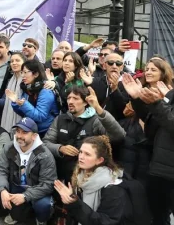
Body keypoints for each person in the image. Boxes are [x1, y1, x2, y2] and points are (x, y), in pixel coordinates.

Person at [122, 59, 174, 225]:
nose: (149, 72)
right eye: (147, 68)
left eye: (154, 69)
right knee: (158, 217)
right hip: (158, 168)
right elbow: (152, 128)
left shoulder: (168, 94)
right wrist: (137, 99)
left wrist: (159, 103)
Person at [43, 86, 125, 182]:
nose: (70, 102)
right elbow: (45, 143)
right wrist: (60, 148)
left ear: (85, 102)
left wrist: (99, 109)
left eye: (75, 98)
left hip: (86, 177)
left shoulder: (95, 121)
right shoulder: (60, 119)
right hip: (60, 174)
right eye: (69, 98)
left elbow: (119, 136)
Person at [0, 117, 57, 225]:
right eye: (17, 131)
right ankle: (14, 213)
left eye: (24, 132)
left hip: (35, 189)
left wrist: (25, 196)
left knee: (44, 204)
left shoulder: (44, 154)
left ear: (34, 136)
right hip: (15, 185)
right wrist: (3, 190)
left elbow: (48, 184)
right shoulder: (10, 147)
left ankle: (41, 220)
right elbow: (1, 170)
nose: (19, 136)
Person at [54, 136, 129, 225]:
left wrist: (75, 204)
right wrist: (70, 201)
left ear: (99, 160)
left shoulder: (113, 186)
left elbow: (107, 221)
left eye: (87, 154)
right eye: (81, 152)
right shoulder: (79, 177)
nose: (81, 157)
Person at [8, 59, 59, 137]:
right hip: (31, 129)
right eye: (22, 72)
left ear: (36, 74)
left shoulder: (46, 90)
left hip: (44, 132)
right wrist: (16, 102)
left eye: (25, 72)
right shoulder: (28, 88)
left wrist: (24, 104)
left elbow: (40, 116)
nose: (23, 76)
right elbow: (24, 113)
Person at [0, 52, 25, 130]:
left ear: (24, 63)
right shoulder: (10, 81)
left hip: (23, 122)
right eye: (12, 61)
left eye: (17, 60)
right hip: (7, 121)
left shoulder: (26, 81)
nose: (14, 63)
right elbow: (4, 103)